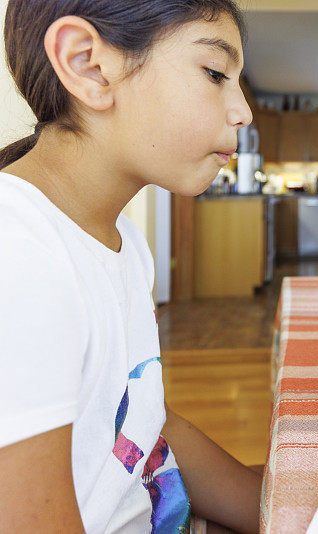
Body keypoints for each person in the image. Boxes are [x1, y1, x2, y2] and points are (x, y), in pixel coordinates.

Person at [0, 1, 261, 532]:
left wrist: (281, 511)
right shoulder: (19, 254)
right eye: (215, 73)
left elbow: (140, 420)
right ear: (88, 66)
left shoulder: (125, 245)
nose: (243, 111)